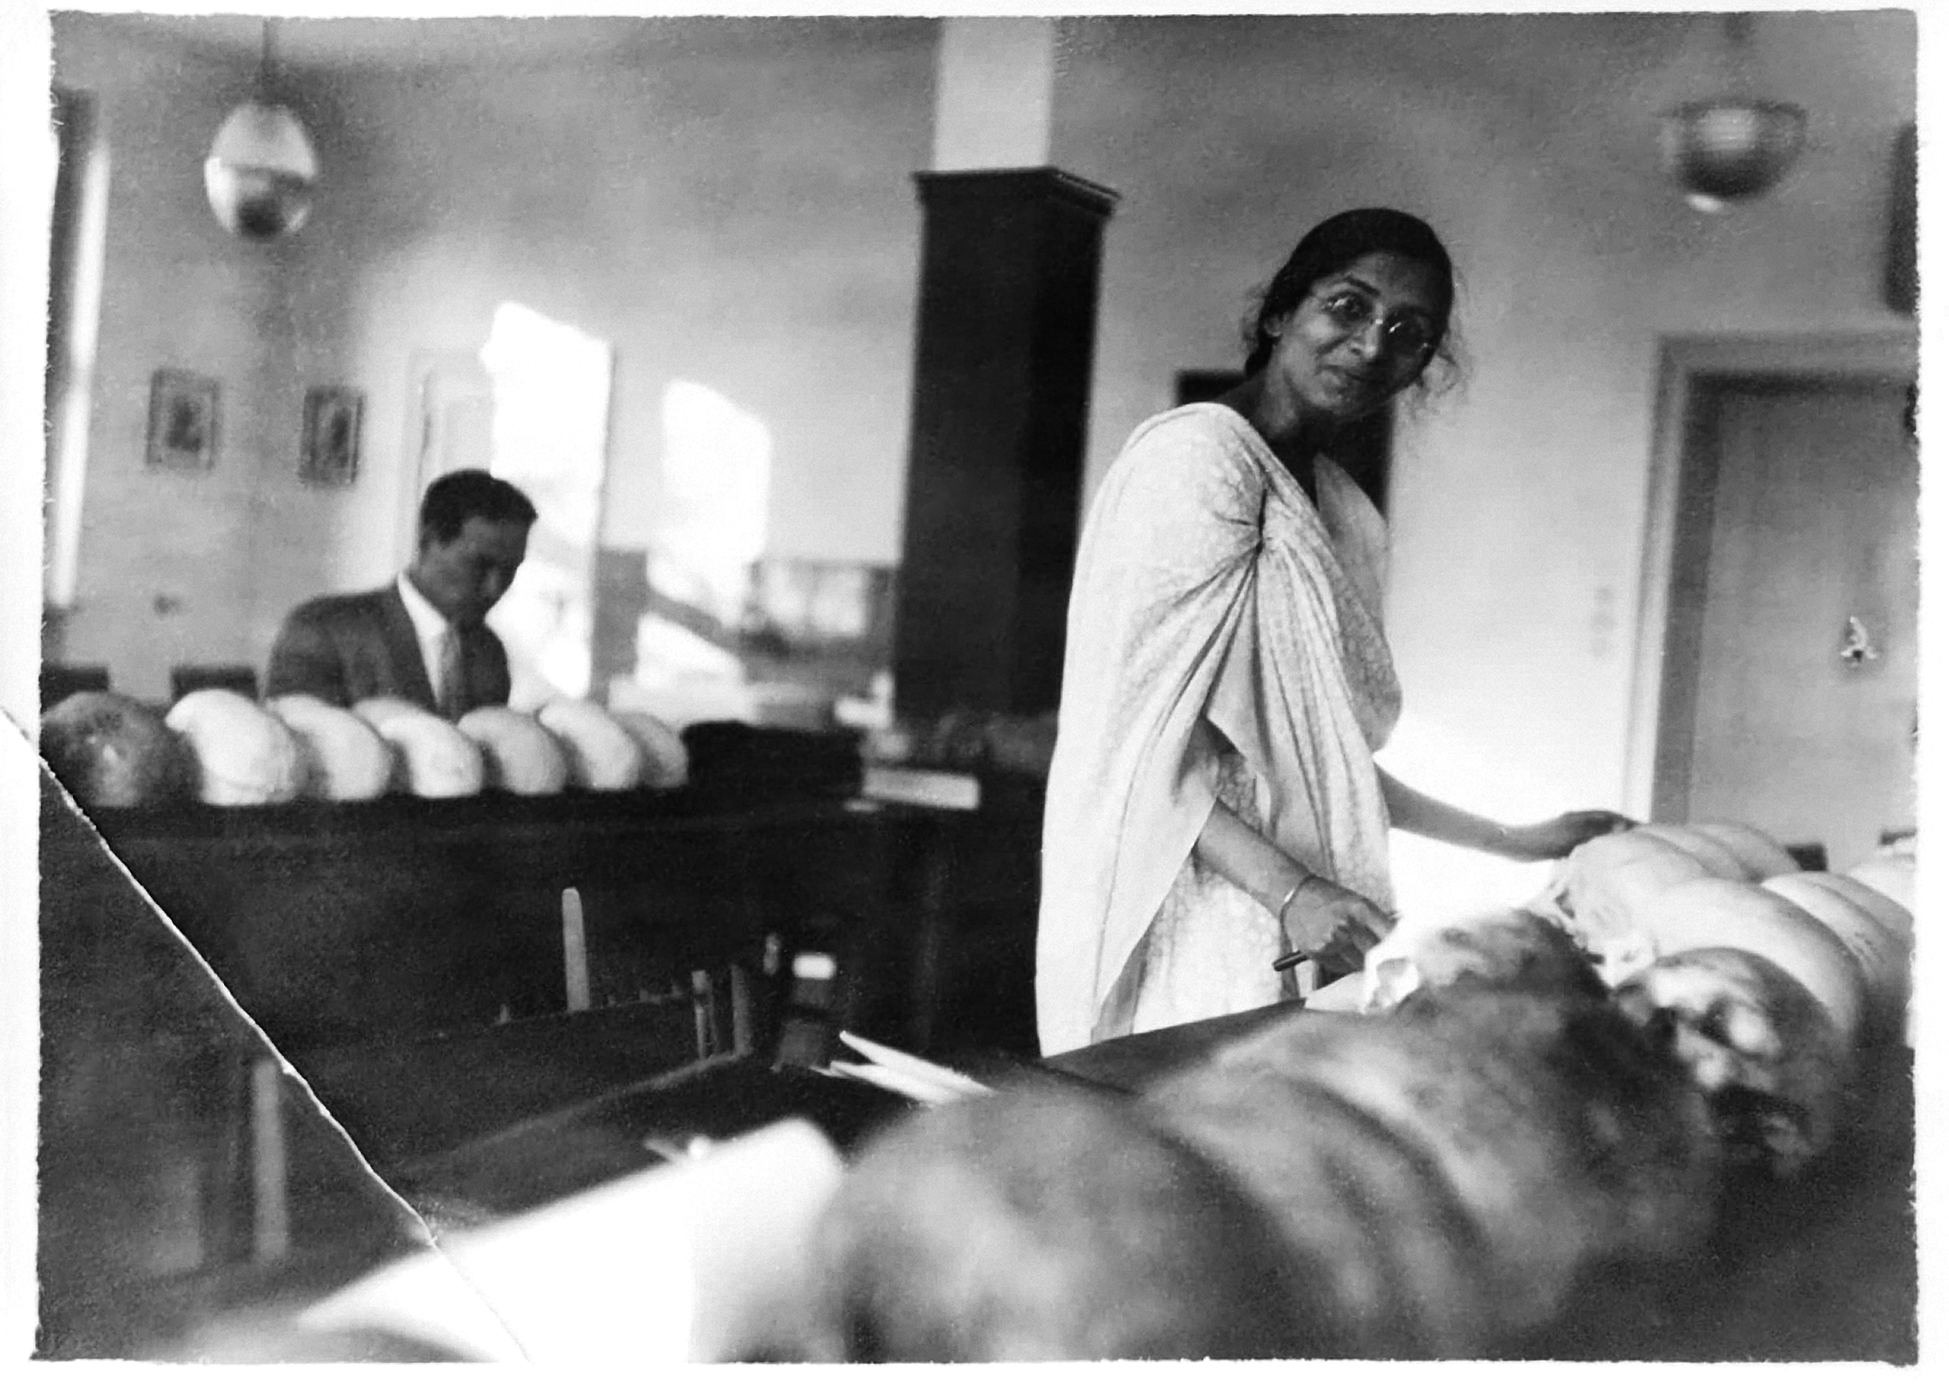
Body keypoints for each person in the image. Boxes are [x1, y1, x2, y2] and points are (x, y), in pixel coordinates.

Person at [1036, 208, 1631, 1055]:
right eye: (1347, 307)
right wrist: (1288, 893)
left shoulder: (1342, 511)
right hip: (1189, 899)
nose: (1370, 346)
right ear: (1282, 312)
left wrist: (1509, 839)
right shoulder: (1197, 459)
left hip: (1313, 902)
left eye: (1407, 332)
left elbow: (1325, 761)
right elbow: (1128, 749)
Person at [265, 470, 536, 719]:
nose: (495, 587)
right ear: (428, 540)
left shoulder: (488, 650)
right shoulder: (322, 630)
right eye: (480, 565)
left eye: (510, 569)